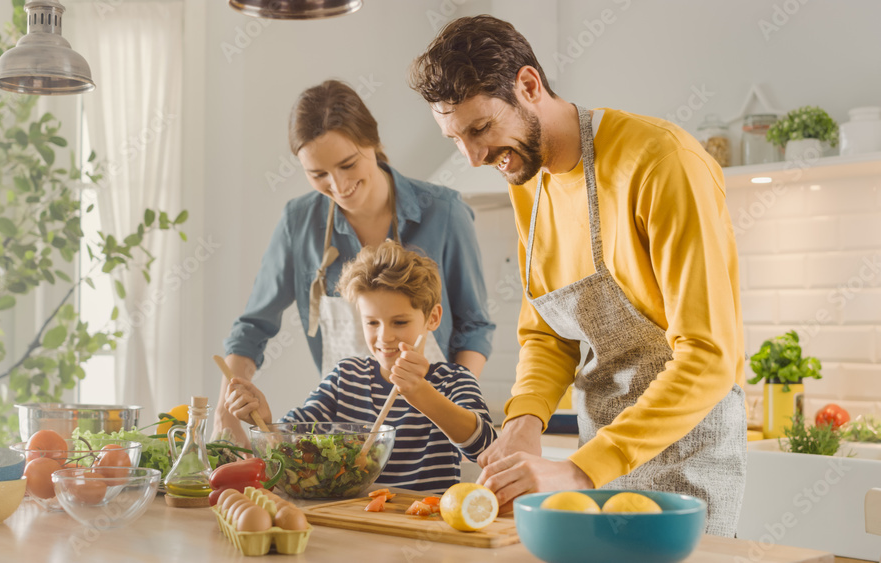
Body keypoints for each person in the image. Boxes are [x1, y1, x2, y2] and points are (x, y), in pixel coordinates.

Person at [408, 15, 746, 536]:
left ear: (528, 85)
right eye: (456, 139)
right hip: (598, 464)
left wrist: (577, 469)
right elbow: (548, 332)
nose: (474, 158)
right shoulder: (528, 180)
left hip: (687, 466)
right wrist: (523, 424)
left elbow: (710, 353)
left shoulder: (660, 162)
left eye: (480, 129)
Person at [216, 80, 495, 446]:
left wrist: (451, 402)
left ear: (373, 144)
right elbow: (253, 327)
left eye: (348, 164)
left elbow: (474, 325)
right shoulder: (298, 223)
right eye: (318, 175)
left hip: (434, 430)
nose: (339, 184)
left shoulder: (444, 212)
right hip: (344, 432)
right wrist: (226, 414)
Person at [225, 241, 496, 491]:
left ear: (433, 318)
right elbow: (293, 439)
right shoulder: (347, 377)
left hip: (425, 524)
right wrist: (266, 422)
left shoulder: (454, 380)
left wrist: (420, 393)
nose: (384, 337)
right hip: (355, 522)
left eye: (400, 322)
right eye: (372, 322)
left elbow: (485, 447)